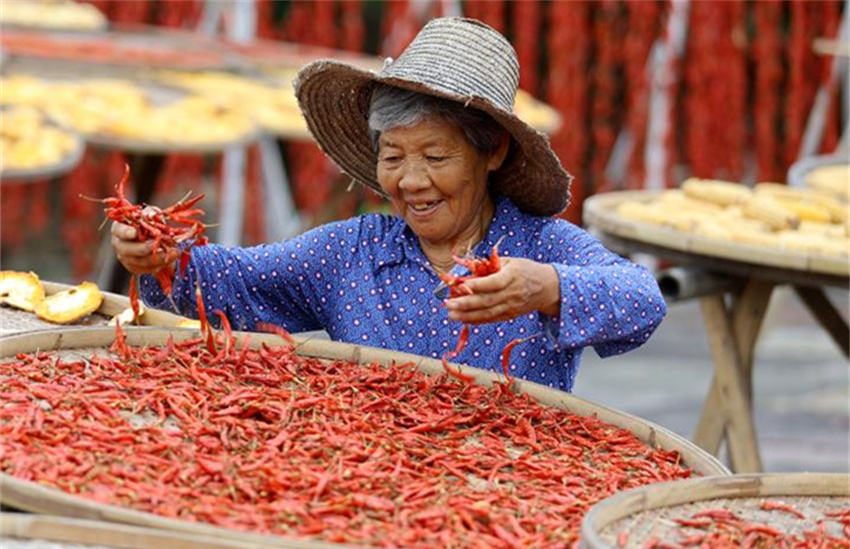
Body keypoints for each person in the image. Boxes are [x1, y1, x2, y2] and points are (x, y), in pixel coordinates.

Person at [112, 17, 666, 392]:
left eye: (435, 156)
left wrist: (547, 288)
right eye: (393, 157)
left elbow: (643, 301)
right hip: (376, 489)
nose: (412, 181)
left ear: (491, 152)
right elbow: (235, 280)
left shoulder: (541, 246)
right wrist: (162, 253)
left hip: (509, 486)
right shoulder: (353, 253)